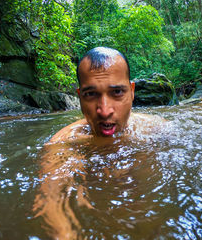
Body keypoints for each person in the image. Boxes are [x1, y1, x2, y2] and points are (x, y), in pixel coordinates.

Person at [32, 47, 167, 239]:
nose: (104, 111)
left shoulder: (156, 128)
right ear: (79, 97)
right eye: (91, 94)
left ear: (132, 91)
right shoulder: (64, 143)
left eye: (117, 92)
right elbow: (50, 201)